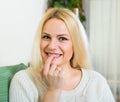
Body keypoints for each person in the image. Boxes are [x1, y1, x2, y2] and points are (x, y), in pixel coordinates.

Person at [9, 8, 115, 102]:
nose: (52, 46)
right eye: (46, 37)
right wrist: (53, 91)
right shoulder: (23, 80)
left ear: (76, 44)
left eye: (62, 38)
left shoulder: (96, 81)